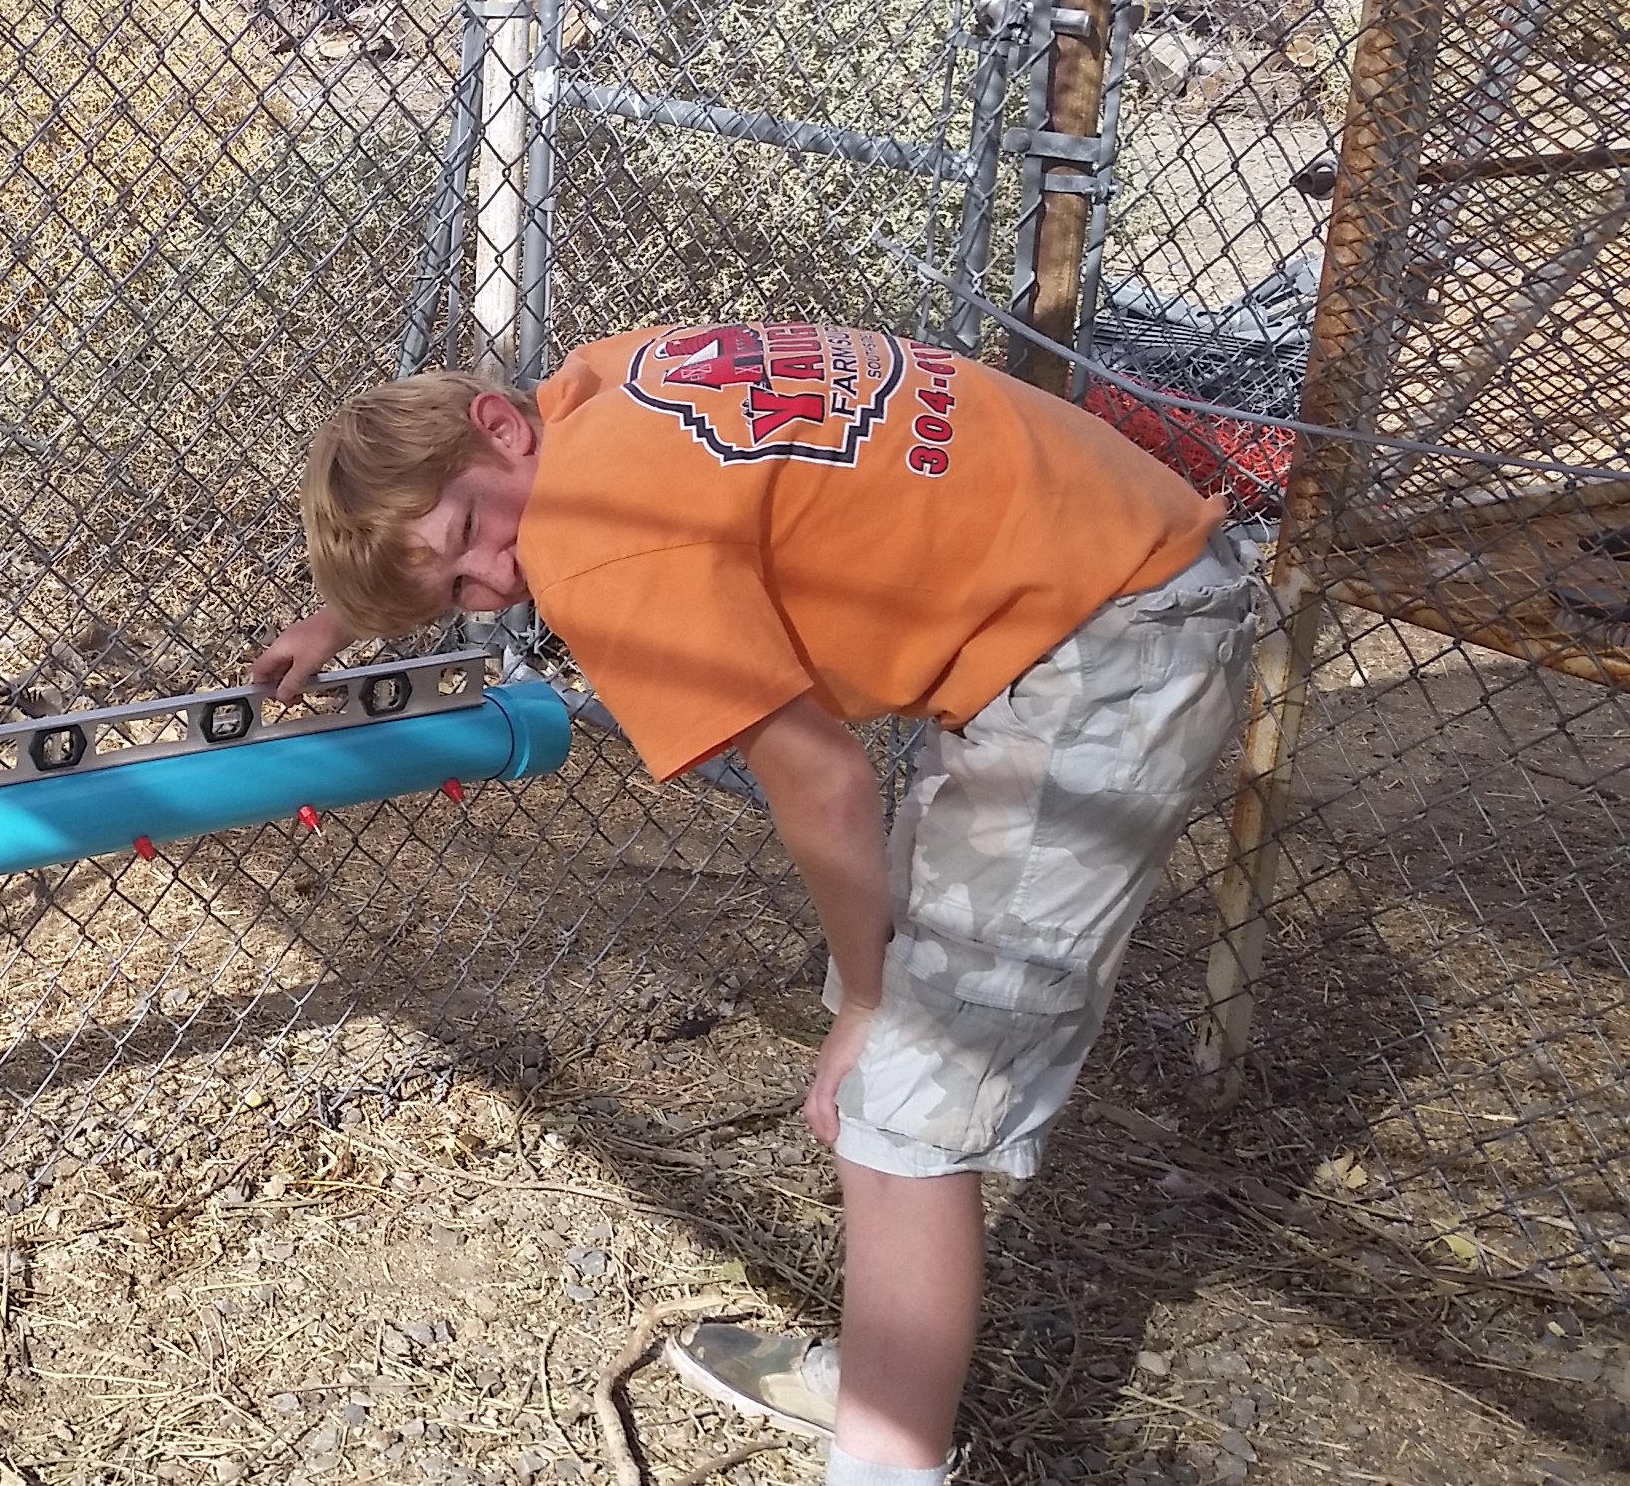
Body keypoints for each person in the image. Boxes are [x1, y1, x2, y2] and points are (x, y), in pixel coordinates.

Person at [249, 321, 1259, 1486]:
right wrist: (351, 612)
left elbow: (824, 782)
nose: (496, 585)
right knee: (883, 1073)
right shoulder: (594, 390)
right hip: (1109, 572)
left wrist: (867, 1001)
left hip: (1105, 648)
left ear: (495, 428)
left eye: (470, 545)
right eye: (457, 594)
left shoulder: (588, 544)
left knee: (908, 1106)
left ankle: (885, 1459)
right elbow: (456, 507)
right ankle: (889, 1378)